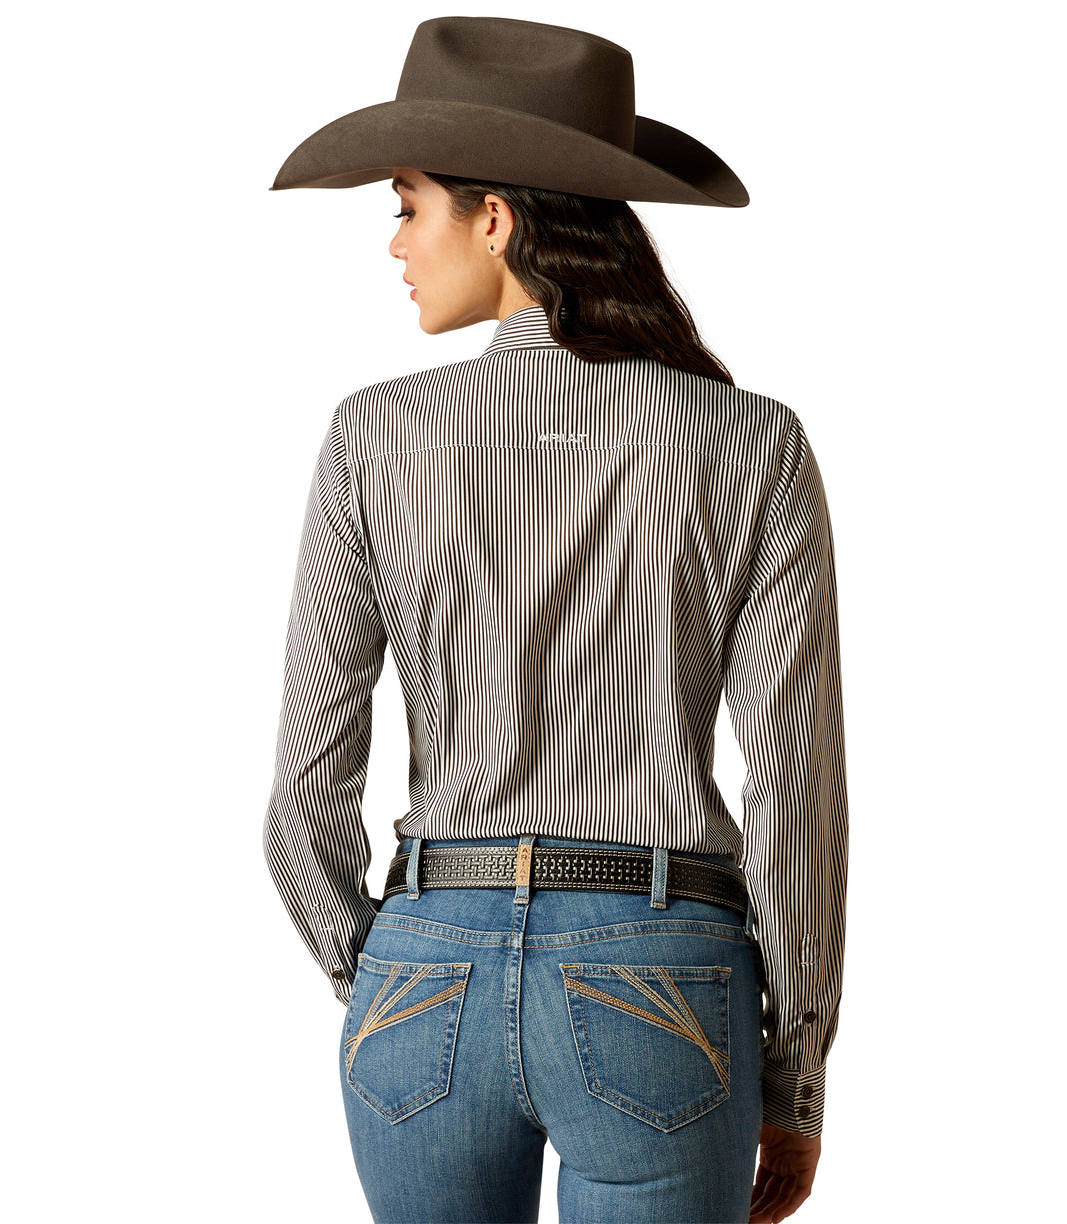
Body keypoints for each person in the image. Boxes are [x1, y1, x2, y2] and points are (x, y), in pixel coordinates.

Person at [262, 16, 848, 1224]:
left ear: (494, 218)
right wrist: (795, 1067)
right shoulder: (753, 442)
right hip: (663, 972)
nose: (394, 242)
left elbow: (307, 779)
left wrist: (381, 970)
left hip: (427, 961)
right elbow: (795, 787)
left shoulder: (376, 437)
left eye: (408, 205)